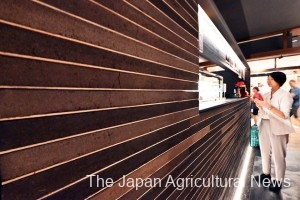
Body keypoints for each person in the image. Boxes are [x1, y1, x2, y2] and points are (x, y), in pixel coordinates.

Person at [254, 72, 294, 192]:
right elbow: (264, 111)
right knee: (264, 151)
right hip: (264, 124)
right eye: (268, 79)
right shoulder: (266, 94)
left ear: (278, 81)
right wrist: (260, 105)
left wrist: (268, 106)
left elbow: (284, 115)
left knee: (278, 155)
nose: (268, 81)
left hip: (278, 126)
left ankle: (278, 180)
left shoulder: (285, 95)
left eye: (271, 79)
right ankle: (266, 174)